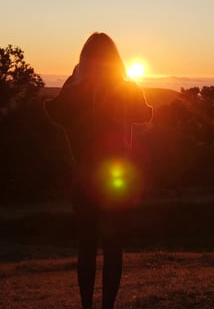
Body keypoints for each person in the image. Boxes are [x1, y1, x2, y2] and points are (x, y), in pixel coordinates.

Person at [45, 32, 152, 309]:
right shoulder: (124, 87)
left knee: (87, 246)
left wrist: (73, 81)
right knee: (113, 247)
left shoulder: (76, 89)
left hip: (84, 176)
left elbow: (54, 112)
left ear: (84, 59)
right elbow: (145, 114)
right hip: (117, 178)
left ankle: (86, 307)